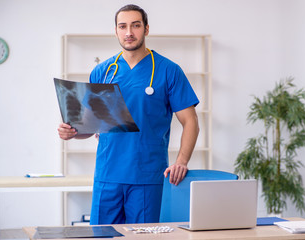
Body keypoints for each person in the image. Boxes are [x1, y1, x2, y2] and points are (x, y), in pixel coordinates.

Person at [57, 4, 199, 224]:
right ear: (116, 31)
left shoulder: (168, 71)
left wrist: (181, 161)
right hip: (107, 175)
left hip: (147, 177)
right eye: (122, 26)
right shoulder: (103, 71)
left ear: (146, 29)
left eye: (135, 25)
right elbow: (89, 125)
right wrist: (72, 132)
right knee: (102, 236)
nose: (129, 32)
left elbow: (191, 121)